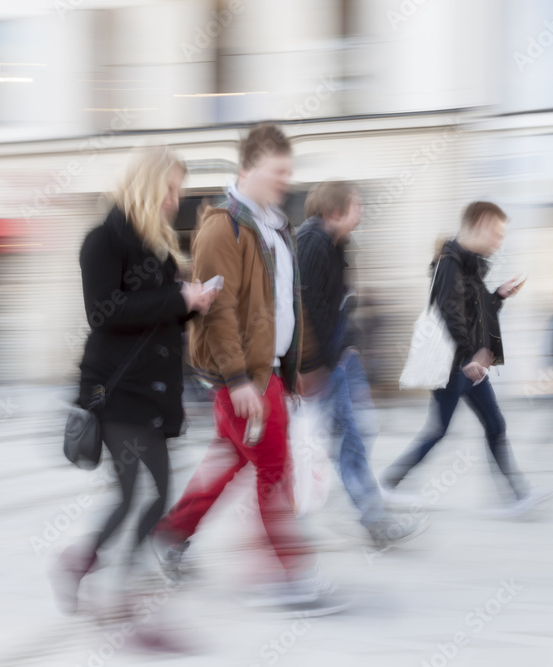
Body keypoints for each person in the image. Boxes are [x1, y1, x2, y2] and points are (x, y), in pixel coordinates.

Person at [152, 125, 346, 616]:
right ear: (247, 169)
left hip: (268, 373)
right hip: (244, 381)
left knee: (233, 460)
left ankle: (171, 533)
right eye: (276, 171)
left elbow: (284, 303)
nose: (285, 179)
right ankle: (289, 574)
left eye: (288, 171)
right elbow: (220, 311)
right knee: (275, 471)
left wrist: (293, 362)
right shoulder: (225, 226)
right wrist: (238, 380)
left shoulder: (277, 225)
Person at [51, 147, 215, 614]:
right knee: (139, 495)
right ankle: (117, 590)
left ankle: (84, 566)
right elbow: (104, 313)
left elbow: (159, 321)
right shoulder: (102, 241)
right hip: (115, 391)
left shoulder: (157, 248)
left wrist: (193, 303)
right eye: (170, 188)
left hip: (151, 392)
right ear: (147, 185)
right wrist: (177, 299)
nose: (175, 198)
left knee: (149, 495)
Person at [381, 201, 553, 517]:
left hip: (468, 364)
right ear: (480, 223)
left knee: (493, 424)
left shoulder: (469, 265)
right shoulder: (450, 263)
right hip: (456, 365)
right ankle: (390, 482)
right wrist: (467, 357)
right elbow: (449, 314)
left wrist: (499, 296)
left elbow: (475, 313)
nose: (499, 242)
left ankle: (518, 496)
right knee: (439, 430)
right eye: (496, 233)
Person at [296, 181, 424, 547]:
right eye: (357, 205)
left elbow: (339, 304)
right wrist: (313, 365)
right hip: (318, 363)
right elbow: (303, 309)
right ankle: (372, 519)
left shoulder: (338, 245)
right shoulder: (313, 243)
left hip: (338, 356)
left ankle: (358, 505)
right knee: (344, 437)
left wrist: (349, 346)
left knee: (357, 430)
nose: (362, 211)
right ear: (334, 211)